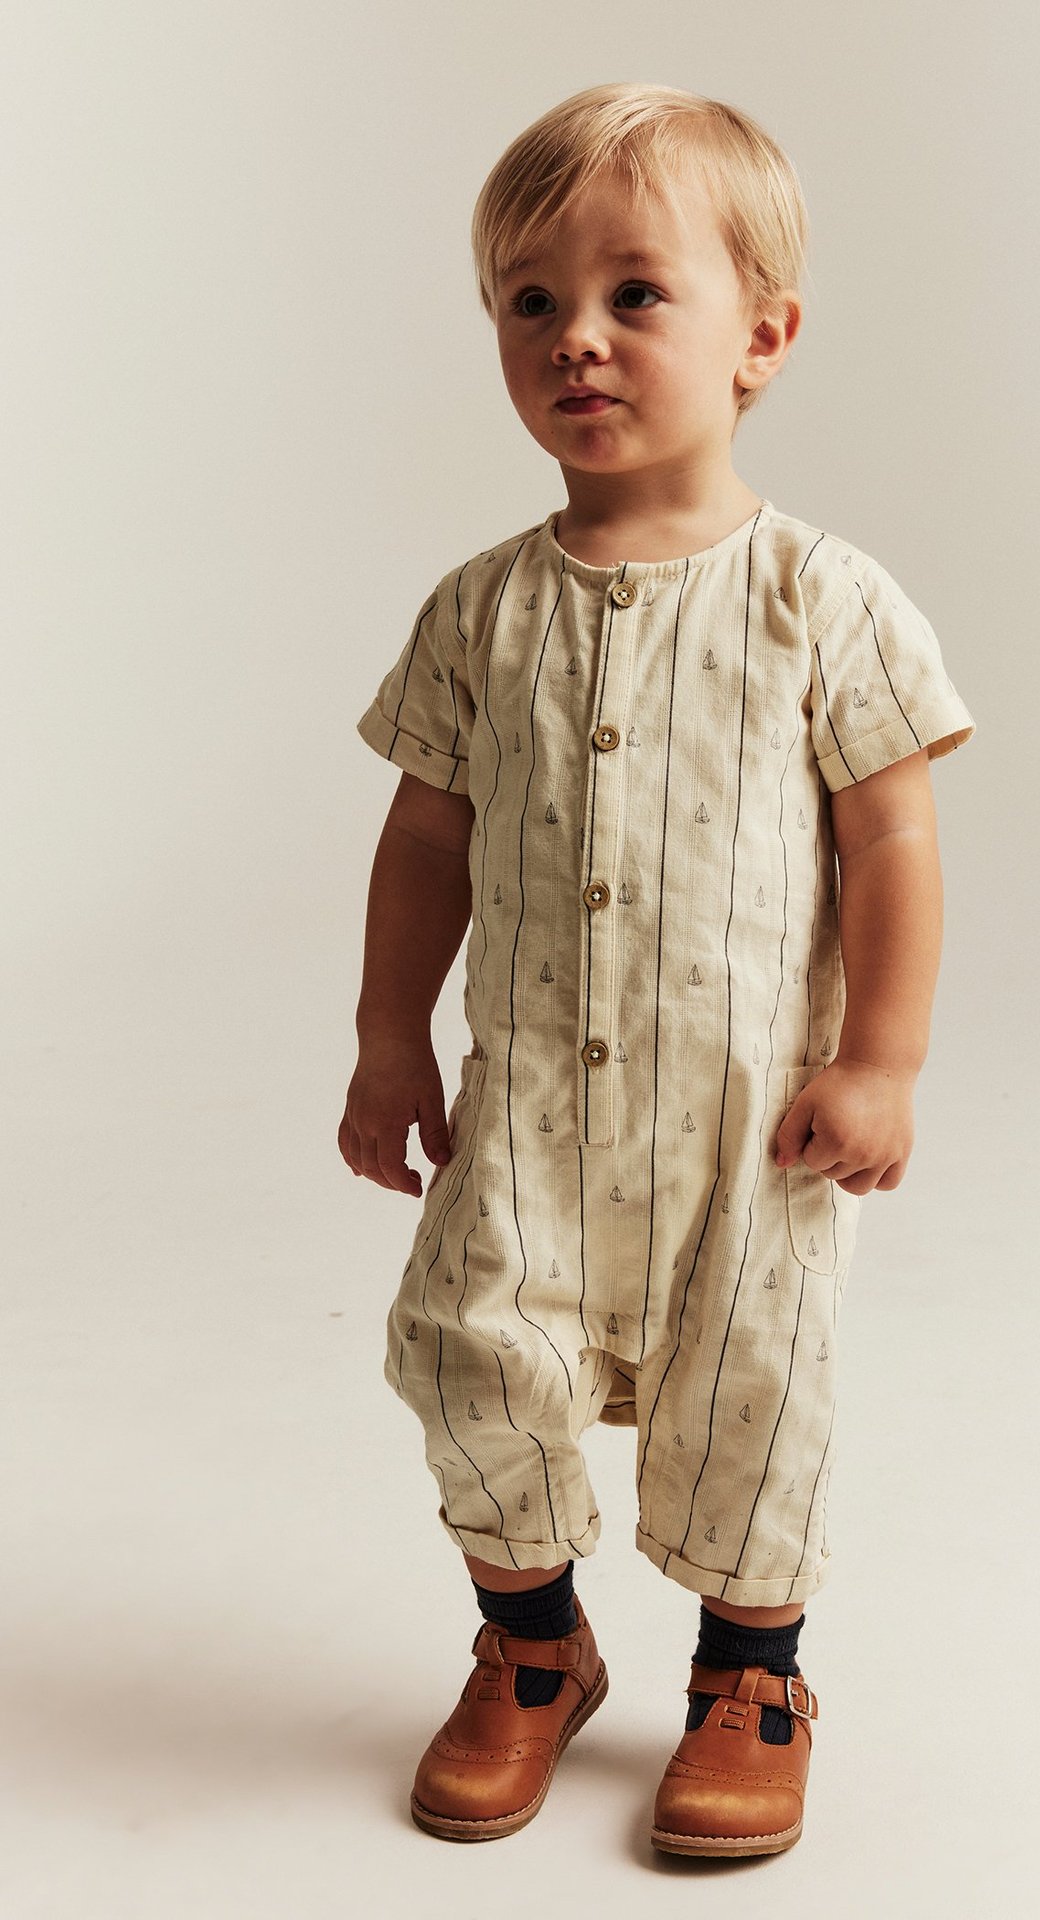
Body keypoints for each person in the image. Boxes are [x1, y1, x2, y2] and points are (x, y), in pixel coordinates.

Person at [339, 81, 977, 1858]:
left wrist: (887, 1064)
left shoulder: (823, 601)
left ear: (761, 335)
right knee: (468, 1354)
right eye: (531, 301)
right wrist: (393, 1038)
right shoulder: (481, 608)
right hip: (531, 1103)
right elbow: (423, 843)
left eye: (635, 294)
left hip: (746, 1118)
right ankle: (534, 1653)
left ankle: (750, 1677)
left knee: (751, 1396)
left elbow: (895, 842)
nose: (579, 340)